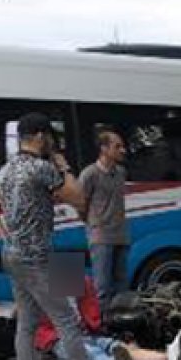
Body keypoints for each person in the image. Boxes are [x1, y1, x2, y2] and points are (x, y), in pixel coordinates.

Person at [0, 112, 133, 360]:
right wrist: (64, 167)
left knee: (27, 322)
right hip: (39, 257)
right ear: (39, 136)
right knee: (67, 320)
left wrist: (3, 234)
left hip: (12, 254)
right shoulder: (42, 168)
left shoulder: (6, 170)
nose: (52, 141)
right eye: (49, 135)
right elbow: (78, 198)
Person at [36, 277, 181, 360]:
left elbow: (91, 313)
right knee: (92, 352)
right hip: (62, 339)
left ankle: (167, 357)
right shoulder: (43, 289)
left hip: (84, 334)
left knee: (115, 346)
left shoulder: (80, 283)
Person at [79, 131, 131, 318]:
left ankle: (121, 325)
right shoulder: (89, 174)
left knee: (121, 286)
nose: (122, 150)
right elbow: (80, 203)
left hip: (121, 235)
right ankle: (101, 326)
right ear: (103, 148)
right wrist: (93, 223)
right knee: (102, 287)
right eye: (117, 146)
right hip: (101, 236)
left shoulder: (121, 173)